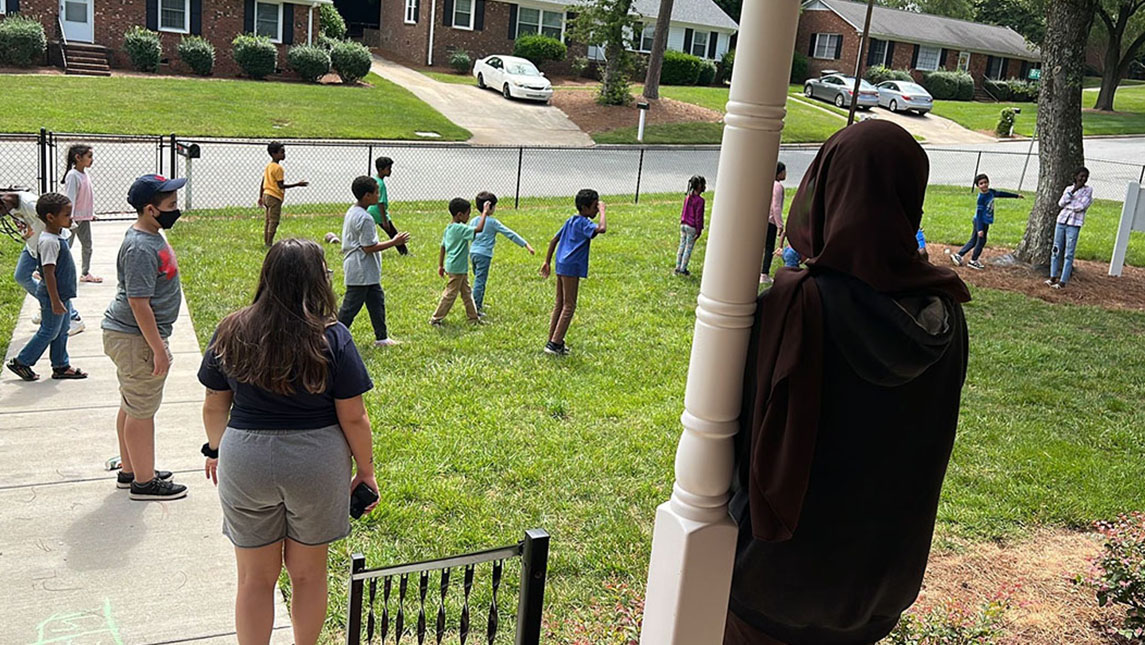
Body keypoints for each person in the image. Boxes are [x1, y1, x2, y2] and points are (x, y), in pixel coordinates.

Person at [725, 120, 971, 645]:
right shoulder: (947, 318)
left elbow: (737, 440)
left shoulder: (796, 307)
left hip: (775, 586)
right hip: (879, 587)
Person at [198, 238, 378, 645]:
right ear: (318, 281)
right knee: (308, 574)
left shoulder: (231, 328)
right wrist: (365, 470)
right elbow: (354, 415)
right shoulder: (334, 336)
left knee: (254, 579)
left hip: (245, 459)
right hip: (316, 463)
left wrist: (215, 448)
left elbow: (214, 406)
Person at [102, 174, 188, 501]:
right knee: (141, 411)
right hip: (136, 338)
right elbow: (139, 304)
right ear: (151, 210)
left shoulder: (150, 235)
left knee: (132, 404)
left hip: (132, 337)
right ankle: (144, 482)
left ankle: (132, 469)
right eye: (171, 205)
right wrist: (159, 349)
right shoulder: (140, 246)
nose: (175, 210)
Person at [6, 193, 87, 382]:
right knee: (49, 330)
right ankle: (22, 362)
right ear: (50, 218)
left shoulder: (55, 237)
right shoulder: (49, 242)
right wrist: (55, 300)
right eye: (67, 215)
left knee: (63, 328)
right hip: (54, 296)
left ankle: (61, 365)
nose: (71, 218)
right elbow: (48, 273)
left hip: (61, 295)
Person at [338, 176, 410, 347]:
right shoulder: (365, 218)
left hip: (366, 271)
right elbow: (368, 247)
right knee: (350, 308)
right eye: (376, 193)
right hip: (361, 270)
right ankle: (332, 337)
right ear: (366, 196)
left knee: (377, 301)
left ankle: (382, 338)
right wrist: (394, 242)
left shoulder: (353, 211)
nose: (379, 196)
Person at [2, 191, 84, 334]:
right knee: (21, 276)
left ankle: (73, 318)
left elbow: (59, 222)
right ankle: (46, 305)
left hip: (48, 247)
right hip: (33, 246)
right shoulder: (10, 205)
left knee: (54, 284)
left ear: (4, 202)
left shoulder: (30, 204)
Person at [540, 189, 606, 356]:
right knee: (569, 305)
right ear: (584, 208)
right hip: (571, 266)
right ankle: (554, 344)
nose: (597, 209)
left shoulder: (571, 220)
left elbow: (554, 240)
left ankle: (554, 340)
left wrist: (547, 261)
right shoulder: (584, 222)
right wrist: (604, 211)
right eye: (594, 207)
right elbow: (602, 229)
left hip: (561, 264)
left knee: (560, 303)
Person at [469, 191, 534, 314]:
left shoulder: (473, 221)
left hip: (472, 254)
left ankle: (478, 302)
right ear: (490, 207)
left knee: (478, 279)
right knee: (480, 281)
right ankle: (475, 307)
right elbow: (510, 234)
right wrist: (526, 244)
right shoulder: (493, 222)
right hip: (484, 255)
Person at [430, 197, 489, 326]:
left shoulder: (449, 228)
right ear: (460, 215)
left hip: (457, 267)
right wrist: (484, 212)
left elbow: (443, 247)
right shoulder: (459, 229)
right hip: (457, 269)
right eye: (468, 214)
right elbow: (479, 229)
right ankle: (436, 318)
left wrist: (440, 265)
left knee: (467, 293)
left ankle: (473, 318)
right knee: (450, 294)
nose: (469, 217)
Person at [951, 173, 1023, 270]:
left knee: (974, 240)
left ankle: (959, 255)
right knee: (981, 241)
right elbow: (979, 213)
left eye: (985, 182)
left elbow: (1001, 193)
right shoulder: (981, 198)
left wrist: (1016, 196)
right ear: (978, 186)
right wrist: (980, 229)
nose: (984, 185)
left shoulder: (991, 192)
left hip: (984, 221)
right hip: (980, 221)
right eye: (981, 183)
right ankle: (973, 260)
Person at [1046, 167, 1093, 290]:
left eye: (1085, 177)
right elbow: (1061, 203)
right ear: (1076, 176)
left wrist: (1070, 204)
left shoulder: (1088, 190)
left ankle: (1063, 281)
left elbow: (1081, 206)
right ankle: (1052, 277)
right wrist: (1073, 191)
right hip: (1062, 221)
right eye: (1081, 176)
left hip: (1074, 224)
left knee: (1069, 252)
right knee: (1056, 249)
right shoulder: (1068, 189)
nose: (1083, 179)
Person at [62, 144, 102, 283]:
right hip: (73, 219)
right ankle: (53, 271)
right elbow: (70, 198)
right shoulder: (73, 176)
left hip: (84, 218)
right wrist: (69, 218)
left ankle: (85, 273)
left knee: (87, 246)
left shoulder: (84, 174)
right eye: (89, 156)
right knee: (66, 246)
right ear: (78, 158)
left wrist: (90, 213)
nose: (92, 159)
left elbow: (86, 197)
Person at [258, 142, 308, 247]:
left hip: (266, 195)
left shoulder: (269, 166)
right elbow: (281, 186)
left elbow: (263, 181)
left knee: (268, 220)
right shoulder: (278, 168)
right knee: (274, 221)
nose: (284, 154)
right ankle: (269, 243)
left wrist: (260, 196)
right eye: (282, 152)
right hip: (274, 197)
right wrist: (298, 184)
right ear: (273, 154)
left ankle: (267, 241)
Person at [366, 156, 409, 256]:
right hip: (378, 212)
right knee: (393, 232)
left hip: (371, 210)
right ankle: (404, 252)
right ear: (381, 169)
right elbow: (380, 203)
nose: (390, 171)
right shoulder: (381, 184)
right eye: (388, 169)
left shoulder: (376, 180)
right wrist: (384, 221)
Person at [760, 163, 786, 285]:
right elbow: (776, 206)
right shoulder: (778, 186)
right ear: (779, 173)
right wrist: (780, 224)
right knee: (769, 247)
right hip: (771, 221)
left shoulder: (767, 183)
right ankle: (764, 274)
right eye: (784, 171)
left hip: (763, 220)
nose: (785, 174)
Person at [676, 175, 706, 277]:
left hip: (684, 225)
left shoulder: (688, 198)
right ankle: (683, 269)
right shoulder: (700, 201)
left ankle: (678, 266)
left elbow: (684, 211)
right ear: (699, 186)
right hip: (692, 227)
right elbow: (699, 217)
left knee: (682, 245)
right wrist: (699, 230)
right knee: (688, 248)